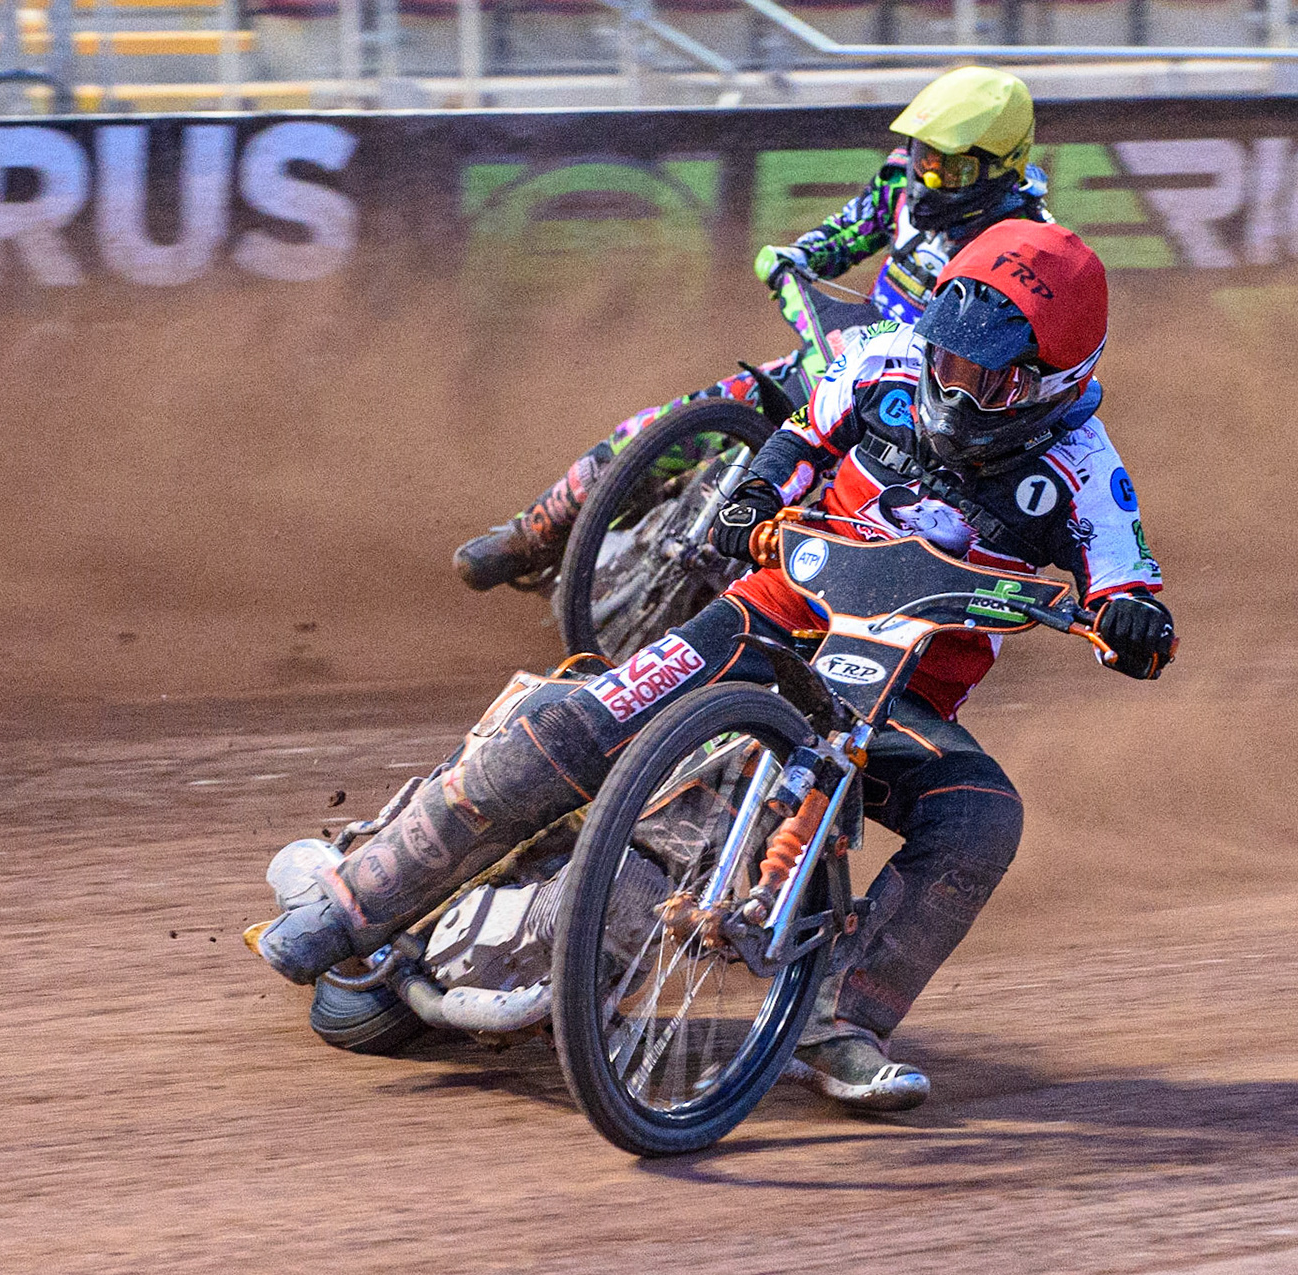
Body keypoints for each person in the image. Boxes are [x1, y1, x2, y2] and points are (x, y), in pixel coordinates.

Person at [252, 221, 1177, 1112]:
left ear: (1055, 380)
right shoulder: (883, 359)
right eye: (947, 352)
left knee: (981, 822)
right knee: (585, 717)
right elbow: (800, 439)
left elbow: (1128, 580)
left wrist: (1132, 620)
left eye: (983, 371)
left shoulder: (1088, 473)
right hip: (768, 618)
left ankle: (841, 1021)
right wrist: (756, 496)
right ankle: (354, 901)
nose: (951, 377)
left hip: (899, 695)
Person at [451, 64, 1056, 593]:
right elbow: (843, 237)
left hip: (912, 424)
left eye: (947, 169)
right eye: (924, 155)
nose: (926, 176)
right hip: (830, 365)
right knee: (660, 427)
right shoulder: (902, 182)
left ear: (999, 169)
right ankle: (533, 534)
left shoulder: (1025, 246)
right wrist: (797, 258)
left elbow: (1019, 363)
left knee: (850, 548)